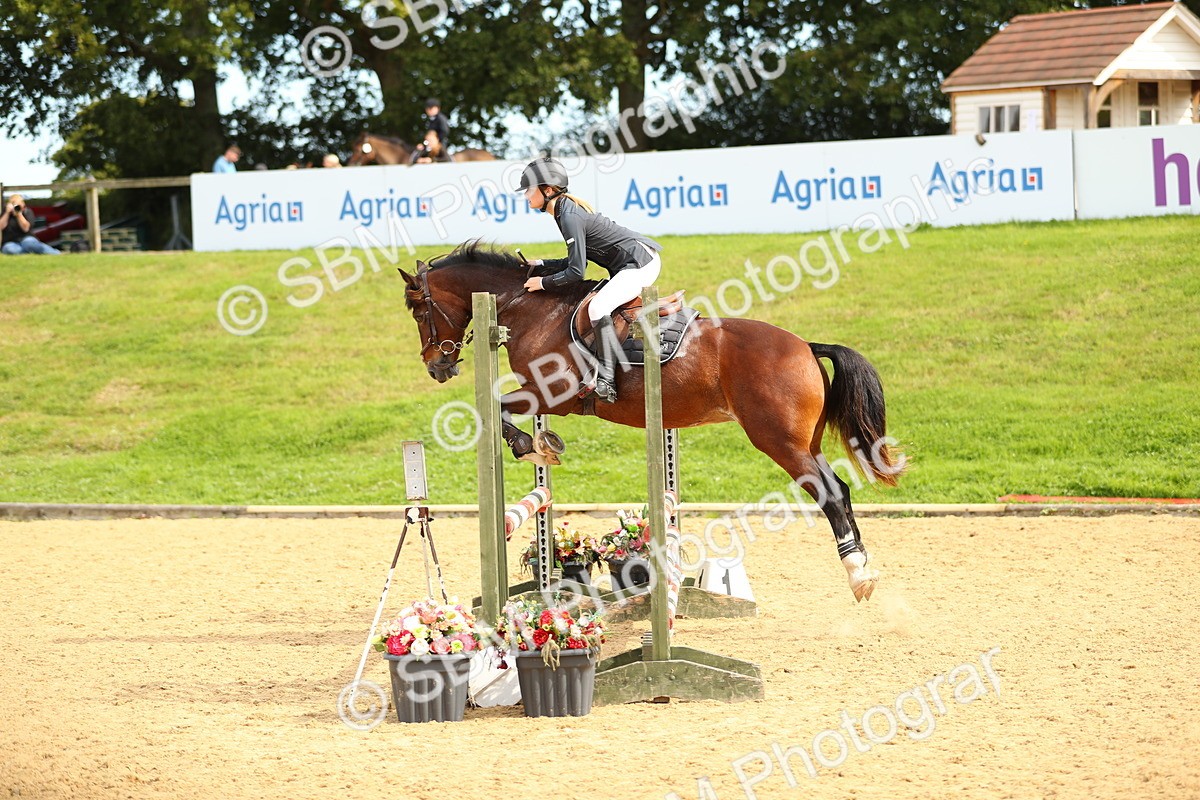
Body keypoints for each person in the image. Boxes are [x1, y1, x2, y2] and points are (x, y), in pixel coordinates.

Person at [517, 157, 662, 403]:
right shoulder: (563, 210)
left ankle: (606, 379)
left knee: (598, 307)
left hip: (640, 263)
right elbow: (575, 261)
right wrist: (541, 264)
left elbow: (576, 273)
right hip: (631, 262)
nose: (526, 196)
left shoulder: (569, 215)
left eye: (529, 190)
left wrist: (542, 284)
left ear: (548, 190)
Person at [410, 99, 452, 164]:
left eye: (431, 108)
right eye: (428, 108)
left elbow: (445, 131)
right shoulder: (430, 120)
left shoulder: (441, 118)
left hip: (440, 142)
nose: (429, 110)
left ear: (437, 108)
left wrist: (436, 141)